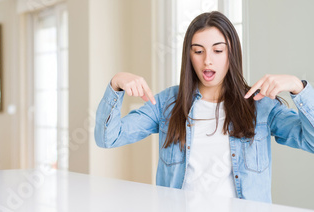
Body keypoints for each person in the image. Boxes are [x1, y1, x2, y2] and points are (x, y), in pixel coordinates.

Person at [94, 11, 314, 203]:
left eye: (218, 51)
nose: (208, 60)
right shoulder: (165, 105)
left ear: (231, 54)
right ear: (189, 56)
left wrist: (298, 87)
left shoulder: (261, 107)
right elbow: (108, 138)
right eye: (198, 51)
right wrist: (116, 84)